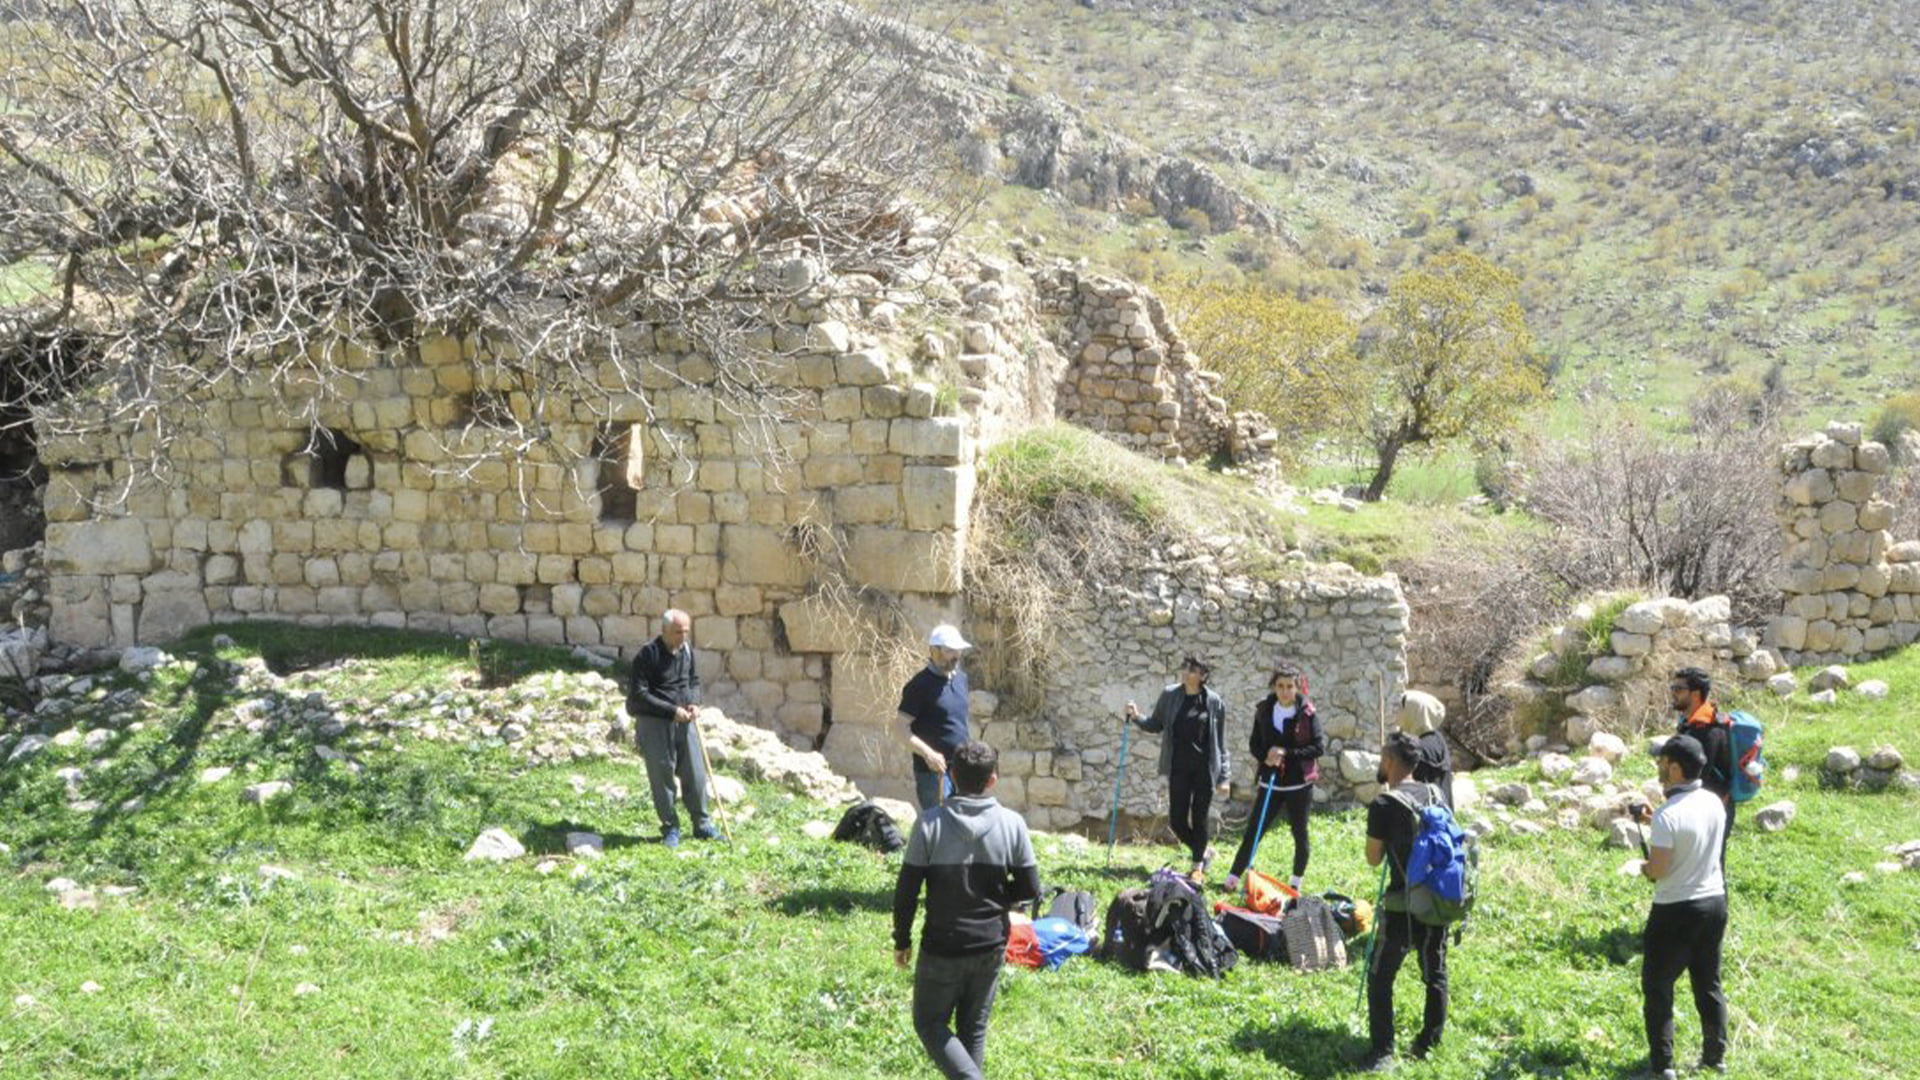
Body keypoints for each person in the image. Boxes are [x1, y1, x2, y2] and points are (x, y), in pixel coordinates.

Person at [892, 741, 1042, 1080]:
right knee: (972, 1029)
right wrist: (999, 903)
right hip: (991, 943)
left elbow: (906, 892)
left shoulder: (929, 823)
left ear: (951, 777)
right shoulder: (1013, 824)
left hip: (942, 946)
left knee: (929, 1023)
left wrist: (901, 939)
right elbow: (1031, 889)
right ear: (992, 780)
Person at [1633, 734, 1730, 1079]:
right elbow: (1691, 833)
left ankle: (1663, 1067)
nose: (1659, 767)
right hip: (1714, 902)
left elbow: (1658, 870)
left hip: (1675, 908)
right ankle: (1714, 1058)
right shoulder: (1713, 802)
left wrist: (1642, 868)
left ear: (1674, 768)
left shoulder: (1667, 816)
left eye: (1662, 762)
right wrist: (1652, 819)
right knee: (1708, 982)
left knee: (1658, 986)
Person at [1360, 732, 1449, 1071]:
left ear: (1390, 762)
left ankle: (1383, 1052)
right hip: (1439, 898)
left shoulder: (1384, 804)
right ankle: (1429, 1042)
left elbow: (1373, 858)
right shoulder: (1435, 793)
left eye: (1383, 758)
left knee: (1381, 975)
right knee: (1435, 971)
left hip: (1402, 904)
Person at [1124, 655, 1230, 883]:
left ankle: (1197, 867)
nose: (1186, 672)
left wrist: (1224, 776)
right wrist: (1136, 717)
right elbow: (1156, 724)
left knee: (1200, 818)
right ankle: (1203, 852)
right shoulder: (1170, 695)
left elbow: (1221, 742)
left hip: (1204, 769)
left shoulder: (1213, 701)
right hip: (1178, 768)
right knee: (1177, 822)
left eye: (1192, 669)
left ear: (1203, 676)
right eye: (1185, 667)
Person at [1225, 662, 1322, 894]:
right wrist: (1265, 756)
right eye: (1280, 686)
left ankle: (1296, 882)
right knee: (1254, 829)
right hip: (1270, 781)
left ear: (1297, 687)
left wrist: (1286, 753)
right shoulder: (1264, 710)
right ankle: (1233, 877)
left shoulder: (1308, 713)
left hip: (1299, 783)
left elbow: (1317, 748)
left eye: (1290, 686)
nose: (1285, 691)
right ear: (1274, 687)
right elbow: (1254, 743)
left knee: (1299, 832)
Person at [626, 609, 714, 847]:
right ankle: (670, 827)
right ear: (664, 631)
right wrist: (670, 711)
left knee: (695, 772)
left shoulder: (686, 651)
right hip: (655, 722)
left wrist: (694, 702)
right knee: (662, 774)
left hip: (685, 720)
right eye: (678, 632)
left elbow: (693, 681)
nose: (682, 637)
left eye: (686, 632)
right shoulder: (648, 654)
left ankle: (702, 824)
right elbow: (639, 694)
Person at [899, 624, 974, 812]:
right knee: (938, 826)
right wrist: (928, 754)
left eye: (958, 650)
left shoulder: (961, 679)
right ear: (933, 651)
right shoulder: (919, 686)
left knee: (961, 824)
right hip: (933, 773)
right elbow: (900, 729)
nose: (955, 656)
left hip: (961, 768)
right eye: (949, 650)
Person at [1669, 667, 1734, 864]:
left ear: (1695, 694)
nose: (1673, 693)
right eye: (1672, 687)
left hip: (1713, 808)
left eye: (1678, 689)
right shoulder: (1691, 723)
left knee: (1711, 867)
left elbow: (1698, 775)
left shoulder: (1708, 729)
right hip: (1700, 806)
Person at [1398, 689, 1454, 810]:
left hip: (1427, 819)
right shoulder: (1437, 738)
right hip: (1444, 813)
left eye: (1403, 709)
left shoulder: (1418, 749)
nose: (1399, 714)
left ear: (1414, 712)